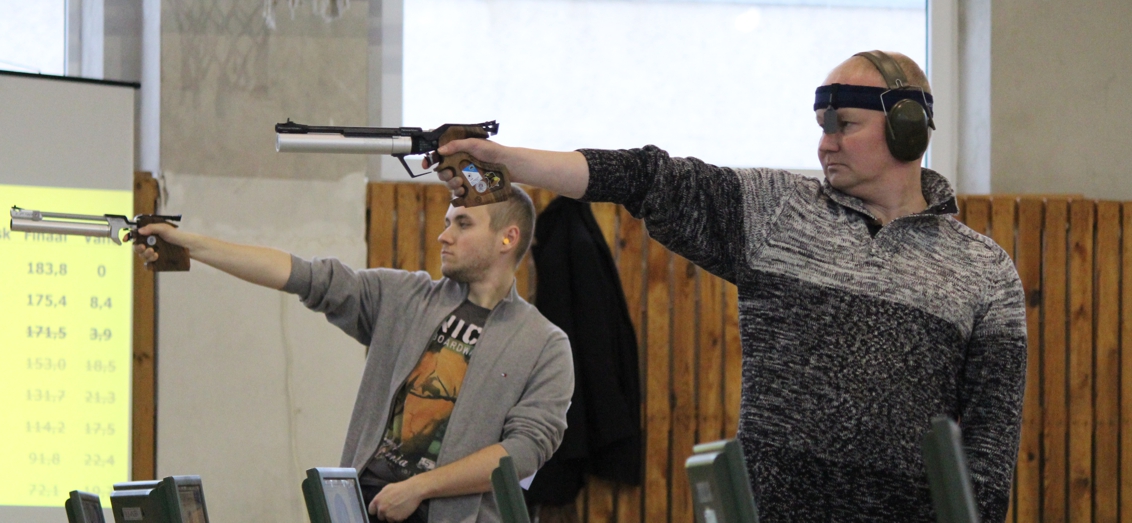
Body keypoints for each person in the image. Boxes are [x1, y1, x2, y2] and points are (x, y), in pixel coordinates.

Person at [429, 51, 1026, 522]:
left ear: (907, 128)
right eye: (822, 126)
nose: (825, 143)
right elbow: (648, 177)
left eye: (845, 125)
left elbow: (990, 453)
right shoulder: (777, 212)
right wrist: (508, 161)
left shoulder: (984, 271)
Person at [134, 186, 573, 523]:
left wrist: (420, 488)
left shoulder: (543, 344)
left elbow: (522, 451)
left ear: (507, 238)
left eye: (462, 224)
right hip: (358, 507)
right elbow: (302, 275)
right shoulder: (403, 297)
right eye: (447, 222)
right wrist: (190, 244)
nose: (445, 235)